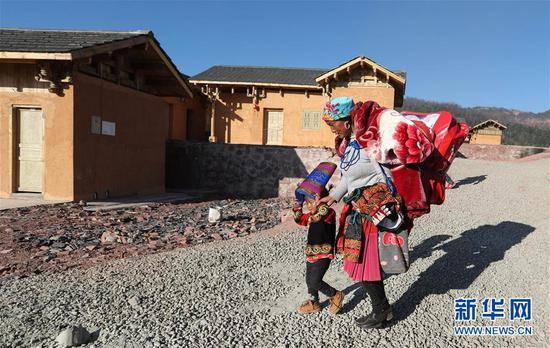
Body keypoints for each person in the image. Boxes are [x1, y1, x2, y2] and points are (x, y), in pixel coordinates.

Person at [317, 97, 433, 329]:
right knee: (362, 264)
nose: (331, 127)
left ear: (348, 121)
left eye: (334, 122)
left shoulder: (370, 145)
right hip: (357, 211)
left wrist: (394, 203)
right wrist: (333, 196)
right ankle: (382, 309)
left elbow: (392, 174)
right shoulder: (350, 146)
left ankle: (382, 311)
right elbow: (349, 179)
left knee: (367, 264)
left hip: (374, 214)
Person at [292, 162, 344, 315]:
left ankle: (335, 295)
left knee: (315, 280)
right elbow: (299, 219)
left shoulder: (327, 212)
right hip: (311, 253)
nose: (308, 206)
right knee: (309, 281)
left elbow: (319, 214)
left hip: (324, 253)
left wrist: (317, 201)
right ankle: (314, 302)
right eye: (307, 204)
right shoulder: (312, 215)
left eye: (309, 202)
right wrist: (298, 205)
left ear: (319, 199)